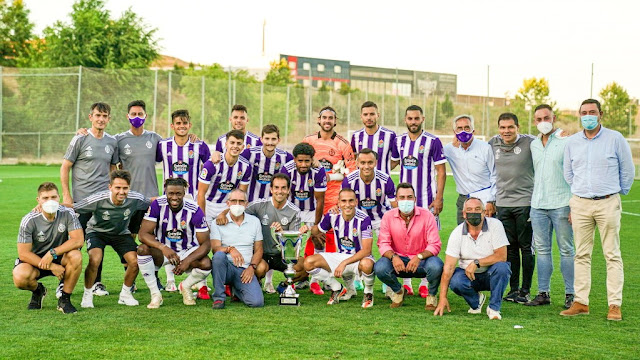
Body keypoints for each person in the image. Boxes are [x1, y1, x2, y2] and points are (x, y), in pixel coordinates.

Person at [561, 99, 634, 321]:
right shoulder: (572, 142)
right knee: (581, 254)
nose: (588, 116)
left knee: (611, 254)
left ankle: (614, 305)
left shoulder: (615, 138)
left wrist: (615, 193)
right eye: (584, 112)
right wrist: (581, 193)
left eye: (592, 112)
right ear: (579, 115)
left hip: (607, 202)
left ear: (601, 114)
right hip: (581, 203)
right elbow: (568, 172)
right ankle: (581, 302)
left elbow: (627, 169)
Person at [61, 102, 118, 297]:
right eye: (98, 115)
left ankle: (96, 283)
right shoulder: (80, 138)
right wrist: (67, 196)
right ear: (90, 117)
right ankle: (63, 283)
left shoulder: (112, 142)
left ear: (109, 119)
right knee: (74, 244)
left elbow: (113, 169)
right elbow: (65, 167)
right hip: (80, 202)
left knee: (98, 243)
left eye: (104, 116)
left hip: (102, 204)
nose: (101, 119)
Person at [390, 105, 447, 297]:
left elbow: (441, 170)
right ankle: (406, 283)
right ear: (405, 120)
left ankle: (424, 282)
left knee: (427, 241)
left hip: (426, 201)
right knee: (402, 240)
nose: (413, 122)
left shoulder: (433, 141)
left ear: (422, 119)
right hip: (405, 201)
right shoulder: (399, 141)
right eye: (409, 118)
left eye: (416, 118)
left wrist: (438, 197)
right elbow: (392, 163)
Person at [216, 173, 306, 294]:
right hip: (260, 253)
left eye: (283, 188)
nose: (280, 191)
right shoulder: (259, 205)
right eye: (276, 187)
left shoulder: (294, 211)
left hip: (281, 255)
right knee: (260, 268)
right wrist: (222, 214)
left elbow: (292, 245)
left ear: (288, 190)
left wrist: (282, 233)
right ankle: (253, 283)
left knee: (305, 266)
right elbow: (238, 207)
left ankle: (285, 285)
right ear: (271, 189)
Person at [73, 170, 151, 308]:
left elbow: (153, 202)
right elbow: (74, 207)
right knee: (95, 259)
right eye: (118, 188)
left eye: (125, 188)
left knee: (134, 261)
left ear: (129, 188)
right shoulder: (98, 199)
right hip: (97, 232)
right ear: (110, 187)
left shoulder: (136, 199)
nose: (121, 192)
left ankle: (125, 295)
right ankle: (87, 295)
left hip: (120, 233)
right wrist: (47, 207)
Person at [526, 104, 575, 309]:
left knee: (566, 250)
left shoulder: (567, 141)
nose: (543, 122)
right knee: (543, 250)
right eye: (538, 119)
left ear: (553, 118)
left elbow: (576, 172)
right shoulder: (534, 144)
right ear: (534, 122)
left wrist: (574, 204)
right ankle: (543, 292)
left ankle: (571, 294)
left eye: (546, 118)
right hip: (538, 206)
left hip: (562, 203)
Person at [136, 178, 211, 309]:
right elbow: (142, 234)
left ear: (184, 192)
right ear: (165, 191)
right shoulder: (157, 205)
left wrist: (187, 260)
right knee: (142, 250)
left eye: (178, 194)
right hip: (163, 251)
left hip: (186, 250)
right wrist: (162, 247)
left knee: (206, 264)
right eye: (171, 193)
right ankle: (155, 294)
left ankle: (186, 287)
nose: (174, 197)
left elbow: (206, 244)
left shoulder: (194, 209)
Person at [433, 197, 511, 320]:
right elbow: (448, 267)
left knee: (503, 268)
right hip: (468, 275)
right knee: (456, 280)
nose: (473, 212)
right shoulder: (456, 233)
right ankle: (476, 301)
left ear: (484, 212)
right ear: (464, 214)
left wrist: (477, 263)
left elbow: (502, 256)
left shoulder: (495, 225)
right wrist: (443, 298)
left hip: (491, 273)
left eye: (477, 209)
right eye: (469, 210)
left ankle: (494, 308)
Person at [13, 182, 84, 314]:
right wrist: (51, 266)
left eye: (53, 197)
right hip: (35, 261)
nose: (50, 201)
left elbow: (78, 240)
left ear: (59, 198)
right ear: (38, 200)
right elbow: (23, 253)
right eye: (45, 198)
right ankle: (38, 291)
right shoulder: (29, 220)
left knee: (76, 256)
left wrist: (52, 253)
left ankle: (65, 299)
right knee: (20, 277)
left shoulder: (68, 213)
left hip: (58, 257)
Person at [488, 112, 535, 304]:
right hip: (503, 204)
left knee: (526, 248)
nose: (506, 131)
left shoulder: (531, 142)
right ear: (498, 128)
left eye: (510, 127)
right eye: (502, 127)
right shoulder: (492, 143)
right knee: (511, 249)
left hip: (525, 203)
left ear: (518, 127)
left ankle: (525, 290)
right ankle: (514, 289)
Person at [374, 183, 443, 309]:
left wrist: (419, 257)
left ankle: (432, 295)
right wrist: (394, 257)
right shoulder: (388, 217)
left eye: (409, 197)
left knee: (436, 265)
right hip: (398, 261)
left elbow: (435, 244)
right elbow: (383, 243)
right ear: (396, 200)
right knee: (380, 267)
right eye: (402, 197)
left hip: (421, 262)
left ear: (415, 199)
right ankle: (399, 291)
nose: (406, 201)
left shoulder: (427, 216)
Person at [338, 148, 396, 299]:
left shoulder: (385, 179)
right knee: (351, 249)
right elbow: (344, 201)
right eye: (362, 162)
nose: (366, 166)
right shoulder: (349, 180)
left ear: (375, 163)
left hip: (381, 220)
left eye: (370, 162)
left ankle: (390, 286)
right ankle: (352, 287)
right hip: (358, 220)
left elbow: (394, 204)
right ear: (357, 163)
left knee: (388, 251)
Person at [304, 188, 376, 307]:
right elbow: (318, 230)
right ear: (338, 202)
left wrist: (344, 263)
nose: (347, 205)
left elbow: (367, 250)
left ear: (356, 202)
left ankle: (368, 293)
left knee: (367, 264)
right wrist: (308, 228)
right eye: (343, 201)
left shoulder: (364, 219)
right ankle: (337, 288)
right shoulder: (332, 215)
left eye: (351, 201)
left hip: (359, 258)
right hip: (340, 255)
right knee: (309, 263)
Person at [279, 143, 328, 294]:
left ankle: (316, 281)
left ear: (312, 159)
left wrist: (317, 226)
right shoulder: (286, 169)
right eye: (300, 161)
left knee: (319, 239)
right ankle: (286, 280)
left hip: (312, 211)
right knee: (289, 246)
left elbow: (320, 200)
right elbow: (282, 195)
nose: (303, 164)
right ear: (294, 159)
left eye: (307, 161)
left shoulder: (319, 171)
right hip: (293, 211)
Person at [210, 189, 264, 309]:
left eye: (241, 201)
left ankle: (237, 290)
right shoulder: (217, 222)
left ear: (246, 204)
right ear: (228, 203)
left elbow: (259, 249)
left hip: (244, 269)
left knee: (257, 303)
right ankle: (219, 298)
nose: (237, 205)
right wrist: (230, 249)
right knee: (218, 256)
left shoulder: (254, 222)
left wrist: (252, 267)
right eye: (234, 201)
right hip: (226, 267)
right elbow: (215, 249)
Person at [443, 114, 496, 224]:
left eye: (467, 128)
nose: (463, 131)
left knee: (486, 235)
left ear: (473, 130)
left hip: (484, 199)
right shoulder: (449, 149)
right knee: (463, 235)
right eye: (459, 128)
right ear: (454, 132)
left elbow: (494, 175)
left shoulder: (485, 148)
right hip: (463, 199)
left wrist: (491, 200)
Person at [197, 130, 252, 226]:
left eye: (239, 143)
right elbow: (201, 194)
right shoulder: (211, 164)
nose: (235, 146)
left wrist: (225, 212)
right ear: (226, 145)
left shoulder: (246, 166)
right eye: (232, 143)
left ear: (243, 147)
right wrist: (203, 218)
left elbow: (240, 196)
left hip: (228, 206)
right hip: (208, 204)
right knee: (205, 238)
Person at [156, 109, 211, 200]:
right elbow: (153, 161)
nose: (182, 126)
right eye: (178, 123)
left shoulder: (200, 145)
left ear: (189, 125)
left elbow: (210, 168)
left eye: (185, 123)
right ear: (172, 126)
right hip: (169, 197)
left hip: (193, 197)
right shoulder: (163, 145)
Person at [239, 124, 294, 203]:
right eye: (267, 138)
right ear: (261, 139)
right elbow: (235, 161)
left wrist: (313, 160)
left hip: (272, 205)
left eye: (273, 139)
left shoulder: (285, 157)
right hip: (251, 202)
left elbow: (300, 162)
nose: (270, 142)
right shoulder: (249, 153)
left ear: (279, 140)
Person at [350, 101, 398, 174]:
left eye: (372, 114)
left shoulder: (390, 135)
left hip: (383, 184)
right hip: (361, 183)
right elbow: (353, 158)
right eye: (365, 114)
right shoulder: (356, 136)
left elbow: (396, 160)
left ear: (378, 115)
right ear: (361, 116)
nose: (368, 118)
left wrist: (383, 170)